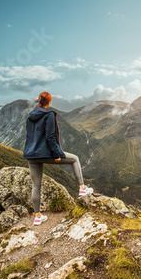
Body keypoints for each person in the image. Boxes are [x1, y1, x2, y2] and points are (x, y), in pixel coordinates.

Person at [23, 92, 93, 225]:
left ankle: (37, 216)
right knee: (75, 159)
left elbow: (30, 136)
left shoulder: (30, 116)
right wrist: (57, 154)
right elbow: (50, 137)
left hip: (31, 154)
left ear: (39, 101)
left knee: (36, 185)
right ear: (49, 102)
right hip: (44, 153)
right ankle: (82, 188)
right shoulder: (48, 115)